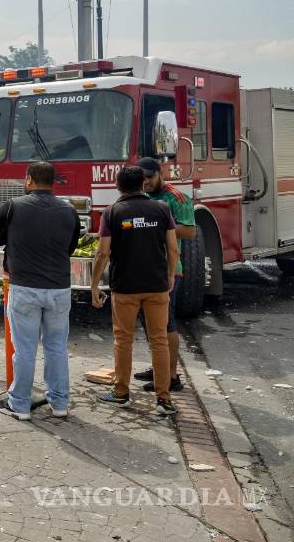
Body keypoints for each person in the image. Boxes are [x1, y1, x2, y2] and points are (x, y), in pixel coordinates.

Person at [0, 161, 82, 420]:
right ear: (53, 182)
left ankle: (19, 405)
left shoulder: (13, 207)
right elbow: (71, 246)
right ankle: (60, 403)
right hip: (59, 289)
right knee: (56, 347)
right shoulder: (69, 210)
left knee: (25, 349)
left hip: (25, 288)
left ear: (29, 179)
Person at [91, 166, 180, 416]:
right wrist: (170, 275)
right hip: (157, 285)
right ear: (143, 184)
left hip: (125, 287)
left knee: (123, 341)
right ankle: (164, 400)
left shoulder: (112, 212)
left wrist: (94, 283)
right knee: (159, 340)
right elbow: (173, 249)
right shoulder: (162, 209)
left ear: (118, 186)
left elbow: (103, 252)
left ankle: (121, 394)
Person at [134, 157, 196, 393]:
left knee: (166, 325)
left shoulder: (176, 198)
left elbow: (189, 232)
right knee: (151, 324)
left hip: (169, 272)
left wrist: (153, 225)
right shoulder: (140, 196)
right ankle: (158, 366)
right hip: (146, 270)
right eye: (142, 178)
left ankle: (171, 377)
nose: (146, 182)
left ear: (160, 174)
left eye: (149, 177)